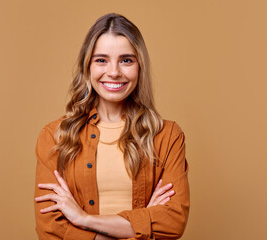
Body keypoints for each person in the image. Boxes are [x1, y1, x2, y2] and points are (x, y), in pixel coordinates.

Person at [34, 13, 190, 240]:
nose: (114, 71)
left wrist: (83, 219)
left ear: (140, 67)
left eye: (126, 60)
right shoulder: (55, 137)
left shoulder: (167, 136)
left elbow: (173, 222)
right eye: (101, 60)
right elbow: (50, 230)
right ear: (87, 66)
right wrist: (143, 221)